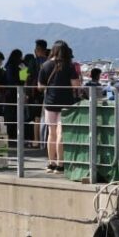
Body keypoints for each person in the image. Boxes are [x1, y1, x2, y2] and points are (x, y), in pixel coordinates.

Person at [38, 41, 81, 173]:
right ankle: (60, 164)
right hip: (65, 103)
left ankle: (50, 163)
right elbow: (76, 85)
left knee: (51, 133)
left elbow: (40, 86)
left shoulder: (45, 65)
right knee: (61, 134)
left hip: (50, 103)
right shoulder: (69, 66)